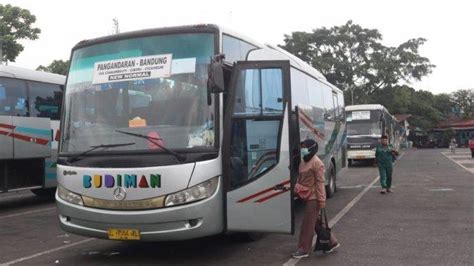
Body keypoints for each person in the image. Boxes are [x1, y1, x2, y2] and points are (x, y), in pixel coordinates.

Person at [291, 139, 340, 259]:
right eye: (301, 146)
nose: (302, 149)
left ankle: (303, 249)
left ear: (312, 148)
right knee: (316, 222)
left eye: (304, 147)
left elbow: (320, 183)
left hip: (314, 197)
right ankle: (332, 242)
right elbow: (301, 177)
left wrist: (322, 200)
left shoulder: (317, 163)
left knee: (307, 224)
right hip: (305, 195)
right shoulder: (304, 161)